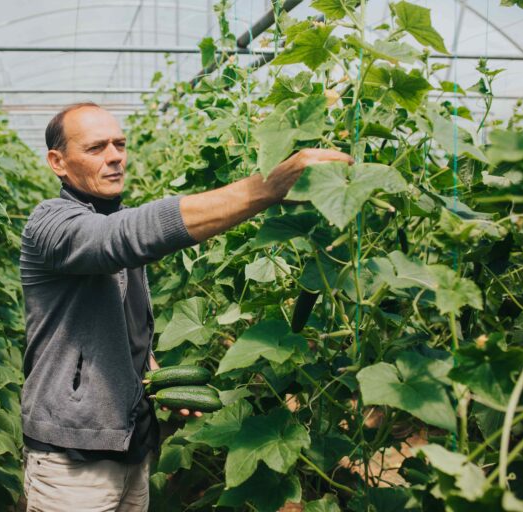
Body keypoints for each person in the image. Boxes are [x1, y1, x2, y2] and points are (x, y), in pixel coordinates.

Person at [19, 102, 352, 511]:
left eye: (119, 144)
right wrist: (266, 188)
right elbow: (119, 238)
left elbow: (119, 320)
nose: (114, 156)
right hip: (73, 455)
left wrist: (151, 372)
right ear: (58, 161)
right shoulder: (49, 224)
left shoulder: (115, 215)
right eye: (96, 148)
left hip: (135, 444)